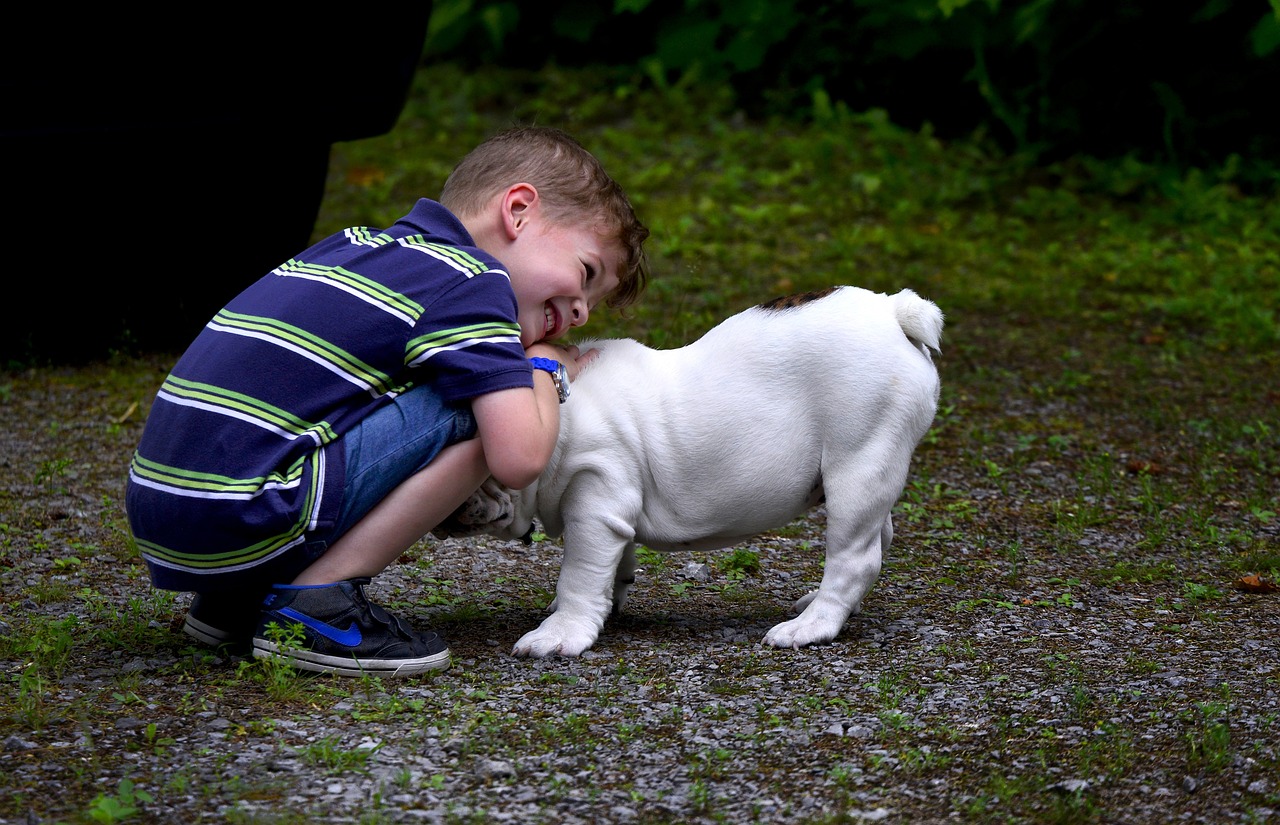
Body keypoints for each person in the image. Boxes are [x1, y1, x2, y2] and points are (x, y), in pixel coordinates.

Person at [125, 126, 650, 678]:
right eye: (586, 273)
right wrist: (541, 367)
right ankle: (316, 605)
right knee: (479, 401)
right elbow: (518, 458)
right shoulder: (473, 283)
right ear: (517, 211)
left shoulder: (353, 246)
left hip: (170, 513)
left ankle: (237, 600)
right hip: (247, 511)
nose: (584, 314)